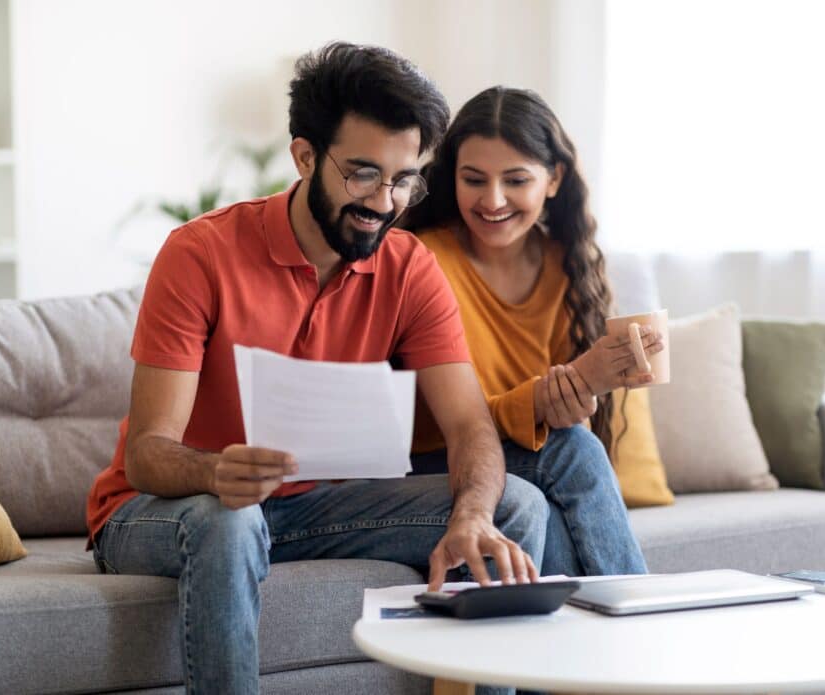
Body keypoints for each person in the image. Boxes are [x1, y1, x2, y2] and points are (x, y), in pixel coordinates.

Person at [85, 46, 548, 695]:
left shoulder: (409, 266)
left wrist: (471, 512)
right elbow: (147, 455)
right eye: (363, 173)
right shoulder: (201, 253)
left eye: (404, 178)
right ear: (305, 157)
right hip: (162, 509)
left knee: (516, 507)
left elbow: (470, 425)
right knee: (232, 515)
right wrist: (217, 470)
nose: (384, 201)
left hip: (312, 508)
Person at [406, 86, 663, 577]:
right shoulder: (424, 259)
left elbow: (560, 431)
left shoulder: (564, 265)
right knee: (572, 451)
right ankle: (638, 615)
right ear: (451, 178)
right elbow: (451, 423)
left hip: (530, 462)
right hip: (439, 461)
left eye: (516, 180)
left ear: (553, 179)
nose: (493, 200)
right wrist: (546, 404)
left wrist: (573, 401)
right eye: (474, 179)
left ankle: (575, 643)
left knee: (560, 482)